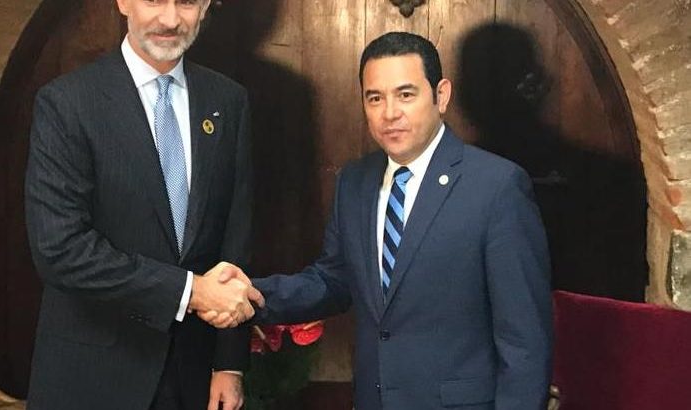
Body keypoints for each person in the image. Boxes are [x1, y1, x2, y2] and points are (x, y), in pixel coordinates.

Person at [209, 31, 552, 409]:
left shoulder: (497, 186)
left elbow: (525, 340)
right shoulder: (355, 182)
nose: (389, 113)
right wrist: (251, 294)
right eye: (375, 98)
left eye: (405, 94)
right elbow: (333, 281)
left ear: (441, 95)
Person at [23, 0, 262, 408]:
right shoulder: (66, 103)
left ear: (205, 6)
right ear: (123, 2)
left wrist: (228, 364)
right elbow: (59, 250)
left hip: (194, 375)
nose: (170, 19)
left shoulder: (228, 101)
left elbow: (234, 240)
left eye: (186, 2)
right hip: (93, 378)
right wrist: (189, 292)